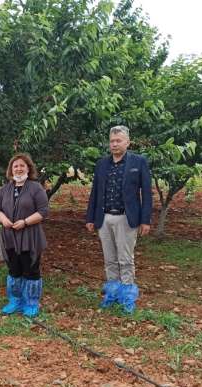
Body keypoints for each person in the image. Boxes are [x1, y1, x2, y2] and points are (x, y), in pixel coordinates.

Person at [86, 125, 152, 313]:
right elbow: (95, 192)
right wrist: (90, 217)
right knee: (109, 259)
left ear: (127, 142)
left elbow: (146, 193)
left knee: (125, 258)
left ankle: (127, 296)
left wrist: (145, 220)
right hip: (104, 218)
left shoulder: (138, 162)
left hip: (126, 218)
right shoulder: (102, 164)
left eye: (118, 140)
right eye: (112, 141)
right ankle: (112, 293)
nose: (114, 144)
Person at [0, 153, 48, 317]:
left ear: (28, 168)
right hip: (10, 236)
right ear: (11, 169)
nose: (18, 168)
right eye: (15, 166)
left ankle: (31, 302)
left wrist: (25, 222)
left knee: (31, 269)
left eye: (22, 165)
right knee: (14, 269)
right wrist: (3, 220)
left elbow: (43, 211)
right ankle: (15, 300)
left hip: (30, 236)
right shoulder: (5, 189)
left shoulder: (35, 188)